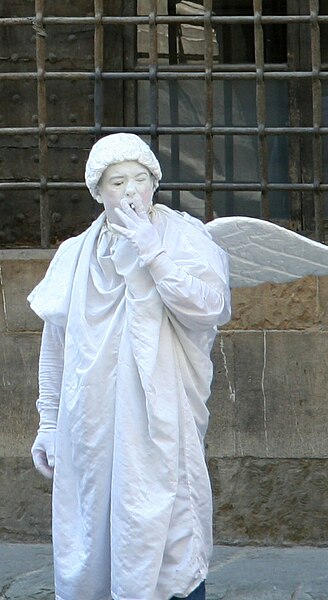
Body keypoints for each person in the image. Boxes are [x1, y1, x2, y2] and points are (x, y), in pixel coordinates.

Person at [29, 133, 231, 600]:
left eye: (141, 179)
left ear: (155, 184)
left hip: (159, 422)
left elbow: (209, 308)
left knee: (166, 526)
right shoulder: (75, 253)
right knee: (93, 536)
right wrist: (48, 419)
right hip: (91, 428)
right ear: (98, 191)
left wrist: (152, 251)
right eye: (117, 181)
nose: (130, 191)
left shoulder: (184, 235)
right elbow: (55, 343)